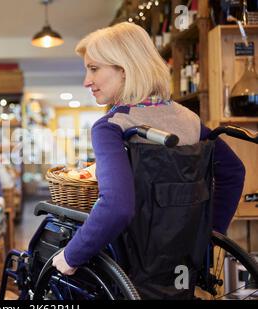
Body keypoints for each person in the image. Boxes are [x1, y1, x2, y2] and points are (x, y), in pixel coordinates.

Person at [52, 22, 246, 276]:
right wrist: (210, 235)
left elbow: (117, 206)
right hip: (184, 258)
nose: (87, 81)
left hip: (131, 261)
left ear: (124, 69)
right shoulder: (189, 119)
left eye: (94, 69)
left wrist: (71, 256)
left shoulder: (111, 126)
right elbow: (233, 172)